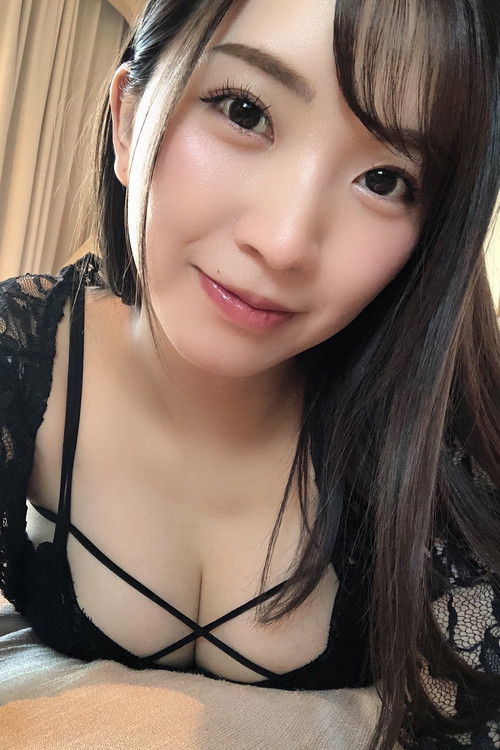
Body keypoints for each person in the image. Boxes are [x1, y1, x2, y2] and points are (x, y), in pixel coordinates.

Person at [0, 0, 498, 747]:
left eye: (385, 179)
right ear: (128, 120)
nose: (286, 241)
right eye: (244, 111)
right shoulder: (22, 355)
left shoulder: (441, 439)